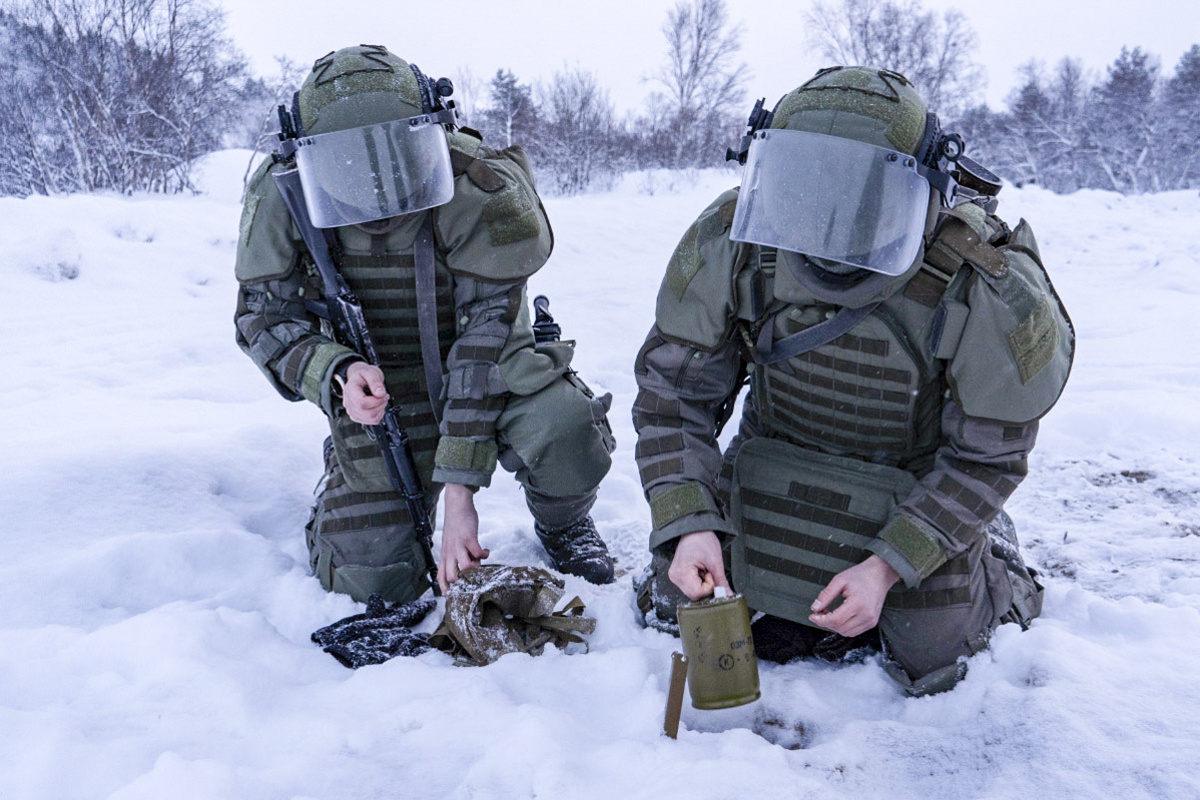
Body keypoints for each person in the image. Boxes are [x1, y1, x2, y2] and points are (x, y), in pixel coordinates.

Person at [633, 66, 1073, 696]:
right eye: (807, 182)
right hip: (773, 463)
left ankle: (992, 554)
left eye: (858, 189)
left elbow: (989, 456)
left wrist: (891, 566)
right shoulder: (740, 241)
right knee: (677, 601)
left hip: (914, 487)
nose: (828, 213)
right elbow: (673, 397)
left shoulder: (979, 283)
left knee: (936, 660)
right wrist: (689, 522)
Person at [234, 45, 617, 606]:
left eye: (394, 149)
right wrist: (336, 372)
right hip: (380, 397)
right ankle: (342, 484)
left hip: (490, 374)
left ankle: (563, 525)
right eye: (346, 159)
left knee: (565, 431)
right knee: (375, 584)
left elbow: (485, 346)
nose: (373, 176)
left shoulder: (476, 184)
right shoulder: (283, 191)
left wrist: (460, 489)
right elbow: (262, 319)